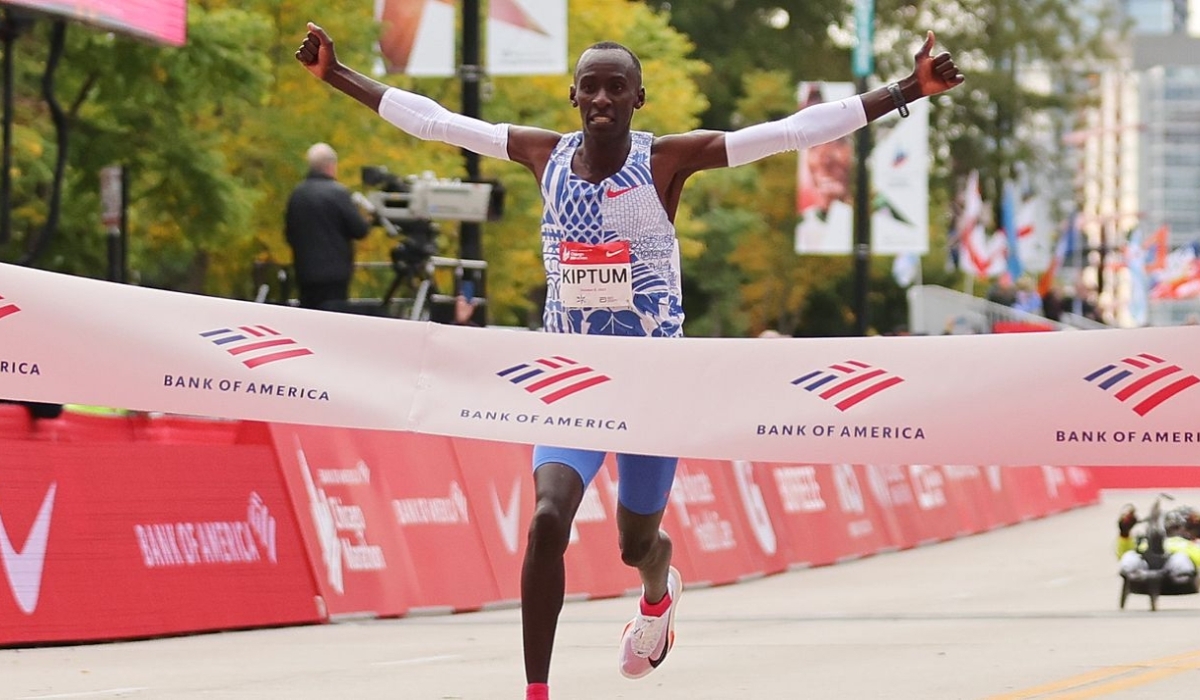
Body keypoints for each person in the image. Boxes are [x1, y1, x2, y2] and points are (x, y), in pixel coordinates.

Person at [296, 22, 962, 699]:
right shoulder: (544, 155)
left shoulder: (667, 161)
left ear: (638, 98)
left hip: (650, 388)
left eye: (617, 87)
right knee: (547, 518)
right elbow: (435, 122)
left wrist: (907, 90)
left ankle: (657, 591)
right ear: (573, 96)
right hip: (571, 382)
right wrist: (337, 74)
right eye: (590, 87)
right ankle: (536, 690)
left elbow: (792, 131)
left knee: (634, 544)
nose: (602, 99)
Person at [284, 142, 371, 311]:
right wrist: (368, 219)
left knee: (309, 315)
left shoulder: (297, 195)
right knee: (333, 315)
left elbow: (289, 234)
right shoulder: (338, 193)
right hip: (335, 275)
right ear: (331, 166)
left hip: (304, 271)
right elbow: (359, 230)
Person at [1117, 503, 1200, 586]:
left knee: (1181, 560)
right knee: (1129, 558)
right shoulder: (1146, 541)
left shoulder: (1188, 545)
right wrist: (1124, 533)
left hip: (1177, 579)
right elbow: (1124, 555)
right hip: (1144, 570)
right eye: (1174, 527)